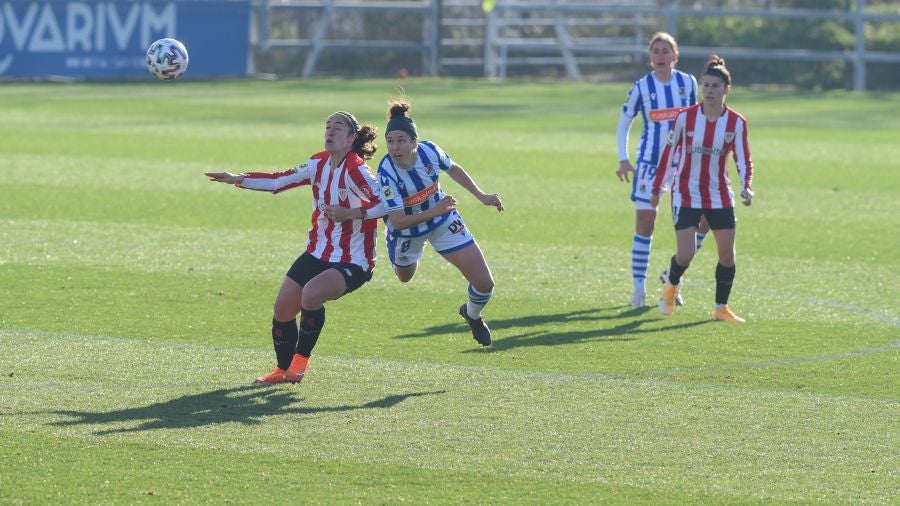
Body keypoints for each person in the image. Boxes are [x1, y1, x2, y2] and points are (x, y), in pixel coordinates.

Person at [204, 111, 382, 383]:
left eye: (337, 127)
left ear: (351, 138)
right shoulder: (317, 163)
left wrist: (352, 213)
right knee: (283, 309)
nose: (330, 131)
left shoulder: (357, 170)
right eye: (327, 126)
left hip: (354, 260)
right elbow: (278, 181)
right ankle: (282, 369)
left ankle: (300, 364)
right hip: (317, 252)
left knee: (311, 294)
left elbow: (386, 204)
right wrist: (239, 178)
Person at [337, 99, 503, 346]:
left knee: (485, 282)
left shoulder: (429, 151)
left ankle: (472, 314)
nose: (395, 146)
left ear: (414, 142)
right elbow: (399, 220)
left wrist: (482, 195)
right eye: (390, 141)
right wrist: (433, 210)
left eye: (401, 140)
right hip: (406, 232)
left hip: (443, 220)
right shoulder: (387, 173)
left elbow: (453, 168)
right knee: (405, 278)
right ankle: (399, 250)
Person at [650, 55, 755, 323]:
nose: (708, 91)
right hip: (686, 193)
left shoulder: (736, 123)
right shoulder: (685, 118)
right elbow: (668, 152)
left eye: (714, 86)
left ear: (726, 90)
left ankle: (721, 307)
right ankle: (670, 287)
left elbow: (742, 158)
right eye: (705, 85)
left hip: (720, 195)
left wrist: (746, 186)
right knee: (685, 254)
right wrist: (658, 187)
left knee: (727, 256)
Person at [616, 32, 709, 308]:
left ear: (675, 56)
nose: (660, 55)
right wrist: (623, 159)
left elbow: (697, 119)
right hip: (650, 164)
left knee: (704, 220)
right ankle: (638, 290)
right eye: (655, 51)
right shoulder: (642, 87)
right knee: (645, 223)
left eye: (665, 51)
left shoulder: (687, 83)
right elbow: (624, 122)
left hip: (684, 163)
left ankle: (673, 277)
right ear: (650, 58)